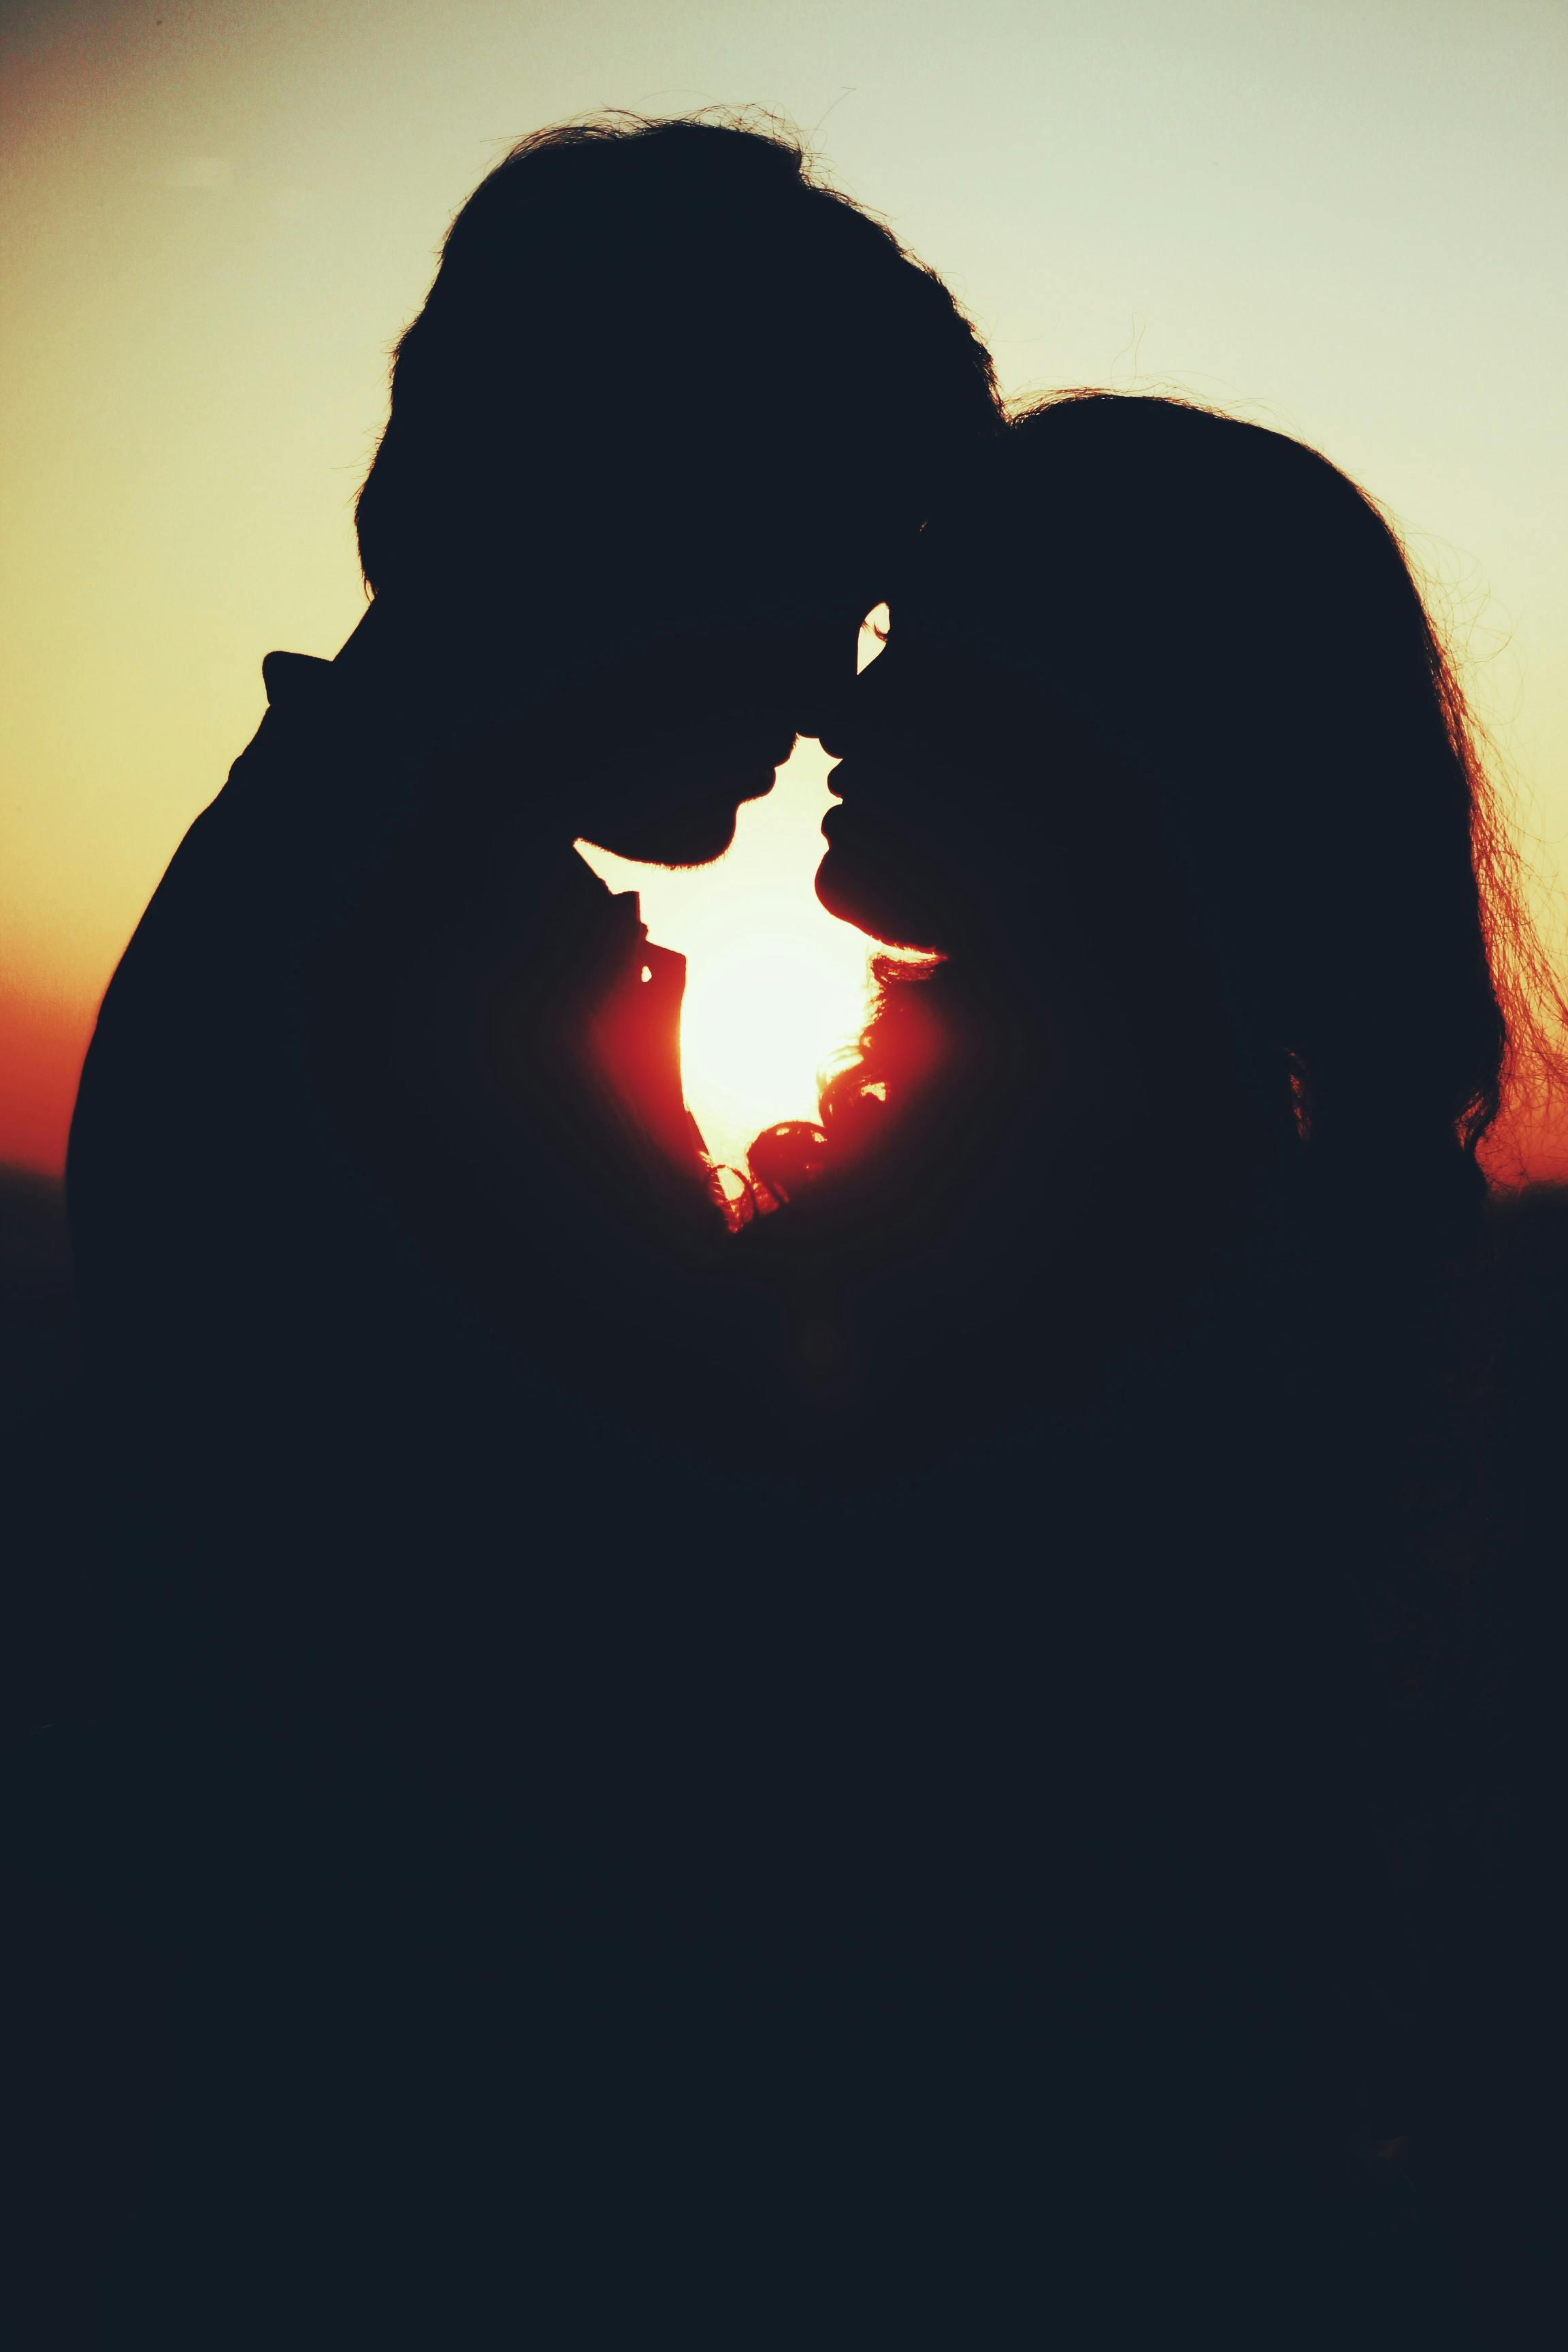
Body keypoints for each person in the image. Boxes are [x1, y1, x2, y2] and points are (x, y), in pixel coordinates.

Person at [17, 118, 1004, 2343]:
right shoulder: (406, 976)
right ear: (627, 518)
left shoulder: (376, 904)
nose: (834, 687)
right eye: (812, 576)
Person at [741, 391, 1567, 2338]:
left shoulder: (1078, 1230)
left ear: (1114, 732)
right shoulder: (1210, 1184)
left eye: (932, 660)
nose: (848, 719)